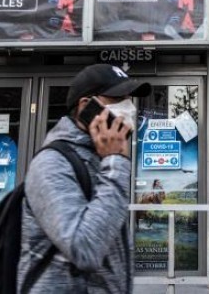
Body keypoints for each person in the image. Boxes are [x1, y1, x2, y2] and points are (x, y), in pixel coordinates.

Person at [17, 63, 150, 293]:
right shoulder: (52, 164)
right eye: (118, 100)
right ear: (86, 107)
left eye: (129, 99)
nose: (129, 109)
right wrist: (117, 162)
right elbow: (84, 248)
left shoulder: (100, 158)